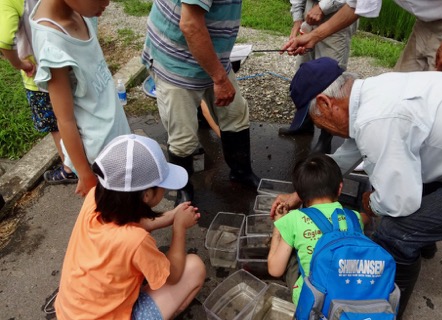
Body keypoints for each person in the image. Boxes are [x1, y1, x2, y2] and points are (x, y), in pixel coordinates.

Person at [271, 57, 442, 320]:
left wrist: (372, 203)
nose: (322, 128)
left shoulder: (377, 120)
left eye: (316, 120)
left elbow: (400, 202)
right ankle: (426, 239)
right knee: (411, 176)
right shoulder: (372, 93)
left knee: (395, 230)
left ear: (325, 103)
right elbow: (346, 155)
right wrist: (299, 193)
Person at [54, 134, 206, 320]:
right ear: (146, 195)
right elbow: (174, 275)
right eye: (161, 186)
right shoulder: (135, 241)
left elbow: (133, 222)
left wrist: (169, 217)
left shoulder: (96, 198)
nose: (164, 190)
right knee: (194, 267)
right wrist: (179, 228)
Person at [142, 0, 260, 207]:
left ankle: (241, 173)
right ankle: (184, 190)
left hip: (212, 56)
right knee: (183, 136)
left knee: (235, 114)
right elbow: (190, 25)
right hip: (177, 61)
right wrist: (220, 80)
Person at [29, 0, 131, 197]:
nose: (108, 2)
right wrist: (85, 174)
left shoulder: (78, 9)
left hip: (115, 131)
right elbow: (64, 119)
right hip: (101, 156)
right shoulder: (52, 42)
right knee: (120, 213)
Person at [281, 0, 442, 78]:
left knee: (441, 94)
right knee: (400, 84)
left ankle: (434, 174)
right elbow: (356, 5)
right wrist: (313, 38)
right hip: (428, 18)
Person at [268, 152, 367, 305]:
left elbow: (275, 270)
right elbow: (364, 218)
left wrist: (279, 226)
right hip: (351, 297)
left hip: (313, 304)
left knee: (291, 251)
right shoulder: (355, 218)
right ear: (340, 188)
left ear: (300, 195)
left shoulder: (293, 220)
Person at [0, 0, 77, 184]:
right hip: (68, 65)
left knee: (56, 125)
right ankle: (89, 159)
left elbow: (4, 39)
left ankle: (70, 168)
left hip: (39, 78)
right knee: (75, 117)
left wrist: (20, 64)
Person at [279, 0, 357, 143]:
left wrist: (323, 7)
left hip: (339, 13)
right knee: (307, 72)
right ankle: (305, 122)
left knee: (330, 80)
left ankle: (326, 137)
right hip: (310, 13)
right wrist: (297, 19)